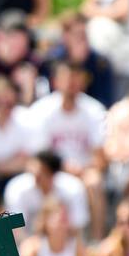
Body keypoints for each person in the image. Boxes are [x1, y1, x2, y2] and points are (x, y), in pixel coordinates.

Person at [25, 59, 108, 235]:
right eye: (67, 77)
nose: (72, 83)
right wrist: (64, 167)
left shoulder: (94, 110)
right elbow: (39, 155)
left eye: (77, 78)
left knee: (94, 181)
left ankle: (95, 240)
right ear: (56, 81)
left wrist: (82, 168)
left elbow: (100, 156)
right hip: (50, 170)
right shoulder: (41, 111)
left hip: (85, 170)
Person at [3, 149, 90, 234]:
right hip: (28, 242)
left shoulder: (73, 187)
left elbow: (78, 224)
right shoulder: (17, 188)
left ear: (52, 174)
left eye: (41, 173)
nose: (36, 176)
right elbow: (17, 229)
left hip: (64, 242)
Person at [42, 11, 115, 107]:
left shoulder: (100, 63)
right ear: (65, 36)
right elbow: (48, 97)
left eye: (85, 35)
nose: (82, 41)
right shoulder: (52, 62)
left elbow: (105, 100)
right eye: (77, 35)